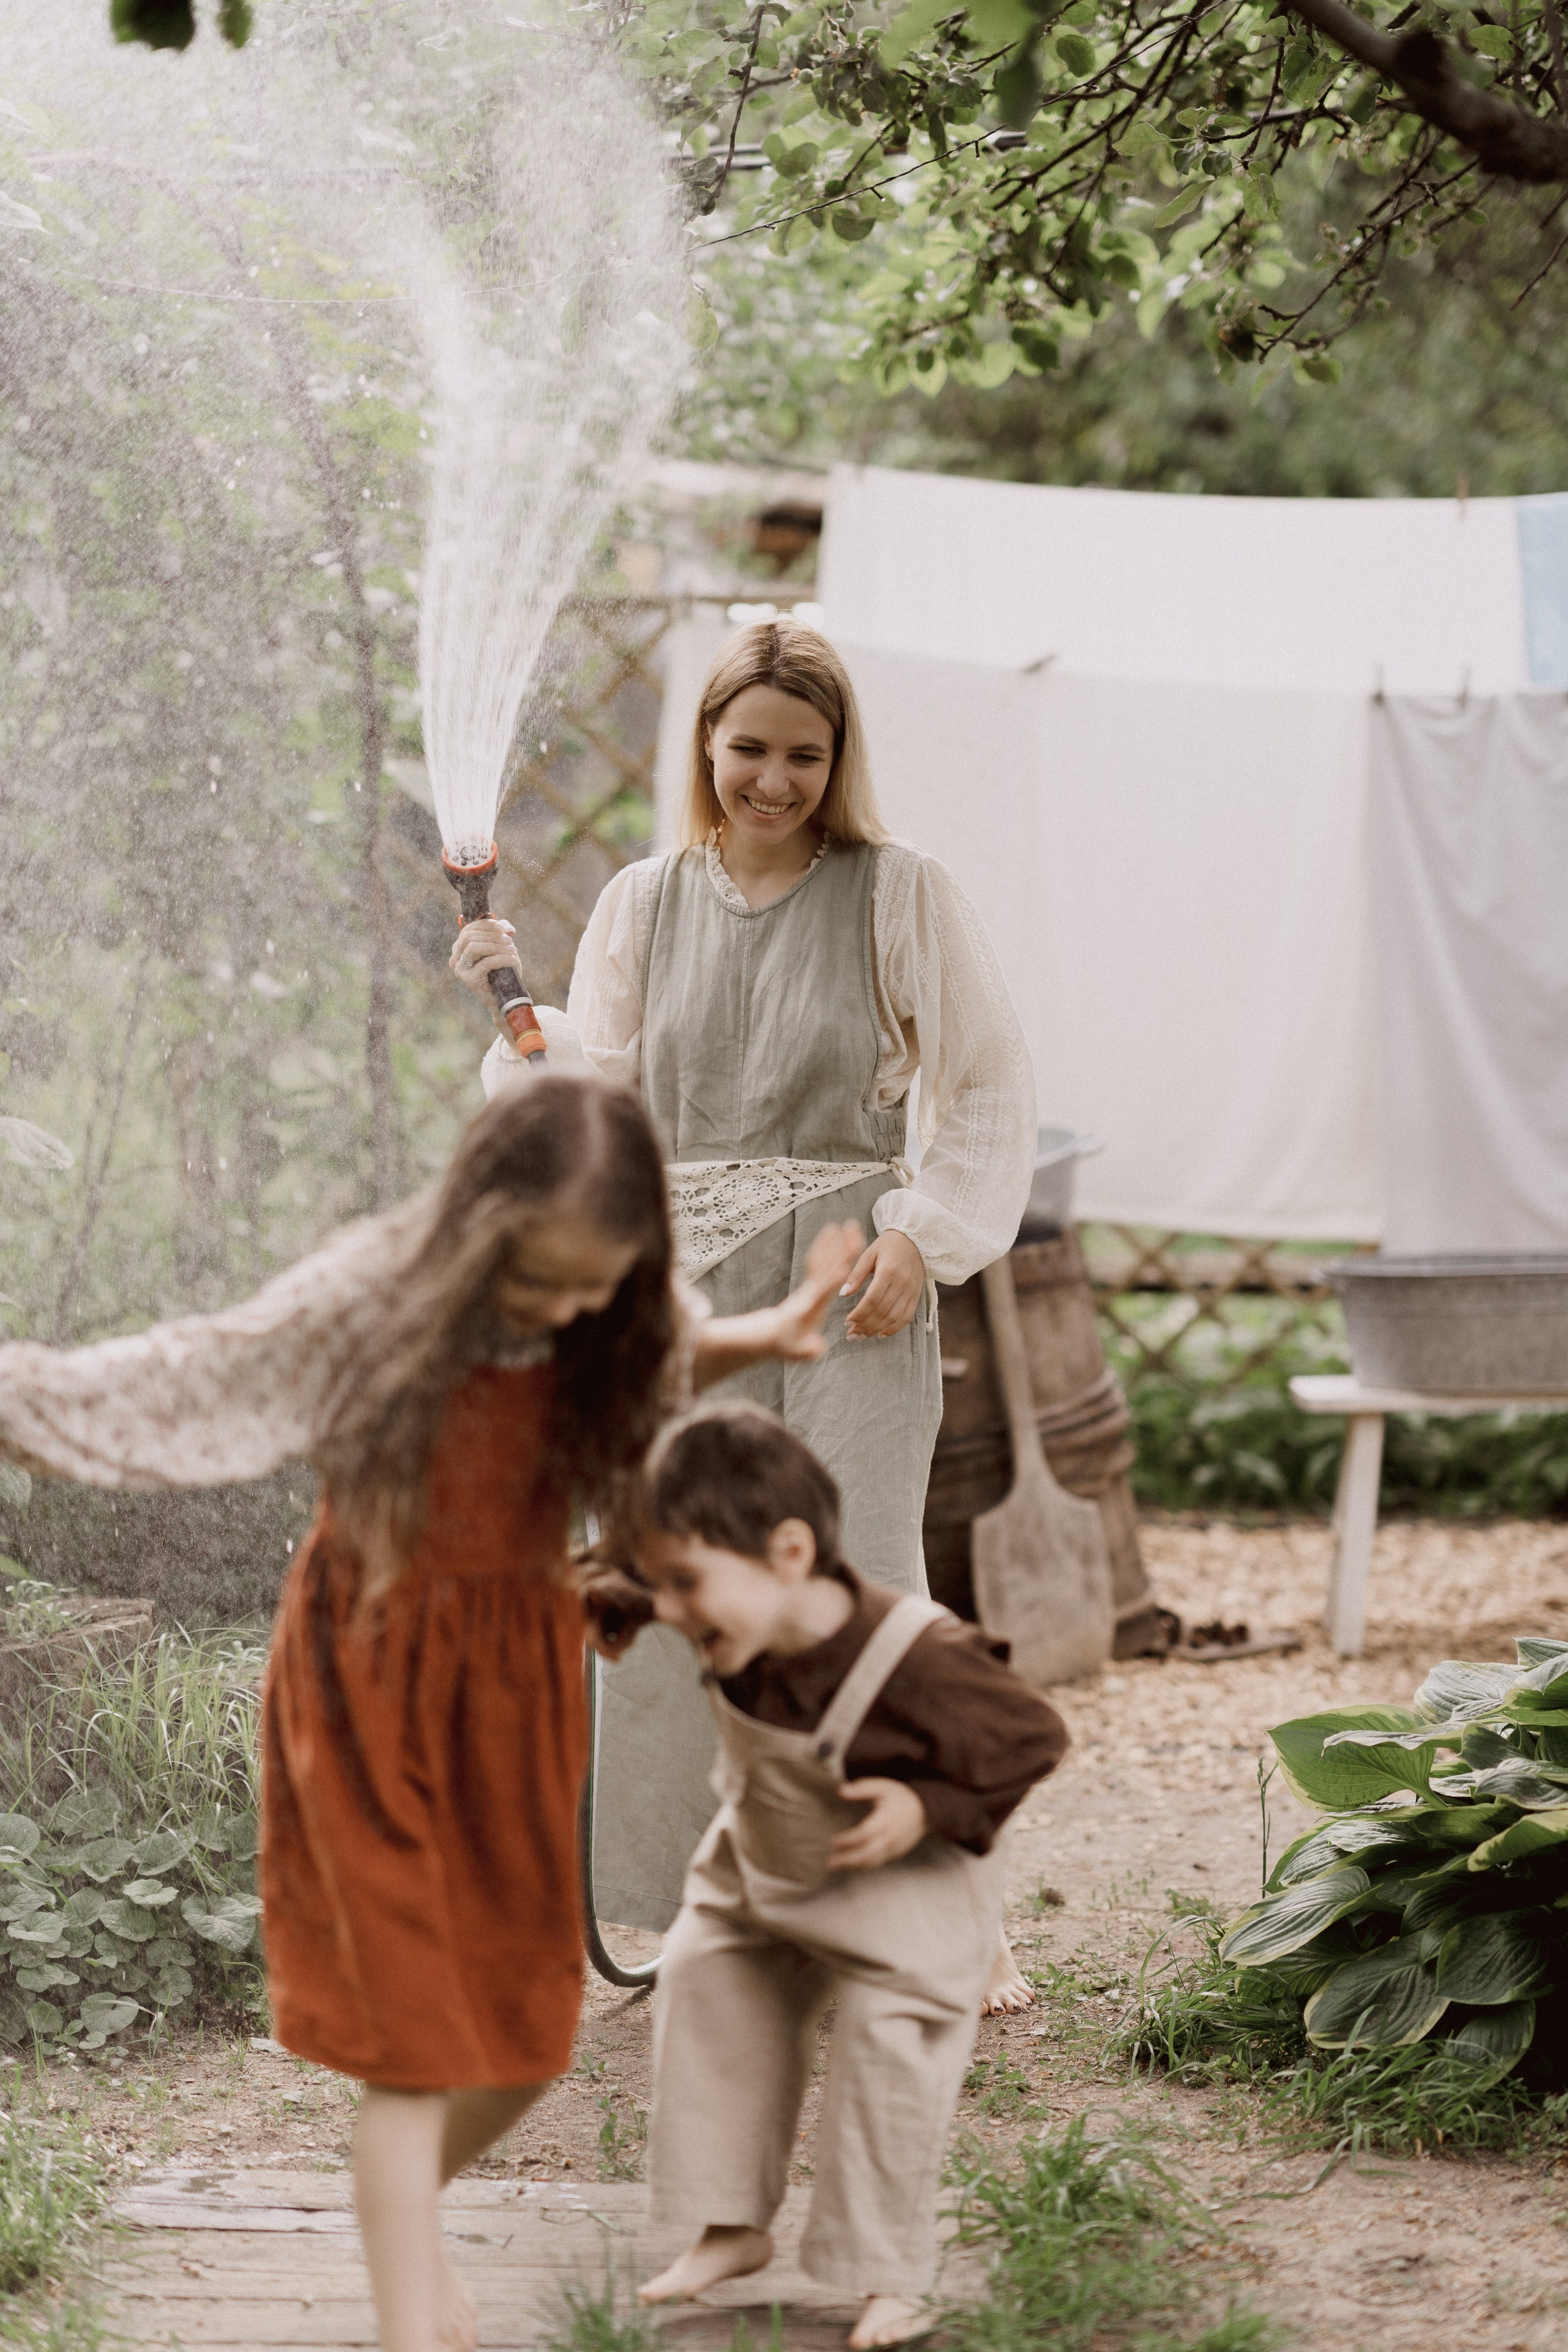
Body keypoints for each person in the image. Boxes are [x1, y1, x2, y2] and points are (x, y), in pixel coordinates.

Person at [0, 1072, 861, 2352]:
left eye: (590, 1287)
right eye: (536, 1282)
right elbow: (199, 1368)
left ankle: (397, 2214)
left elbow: (658, 1347)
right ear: (475, 1228)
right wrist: (25, 1398)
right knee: (411, 2046)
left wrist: (766, 1335)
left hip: (513, 1687)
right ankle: (415, 2320)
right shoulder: (373, 1293)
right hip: (368, 1682)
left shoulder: (611, 1309)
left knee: (519, 2039)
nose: (563, 1308)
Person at [451, 617, 1041, 2011]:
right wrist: (509, 999)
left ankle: (918, 1915)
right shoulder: (646, 902)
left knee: (864, 1578)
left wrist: (922, 1234)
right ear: (706, 748)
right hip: (685, 1293)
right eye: (748, 749)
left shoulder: (899, 894)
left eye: (802, 754)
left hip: (850, 1287)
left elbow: (989, 1082)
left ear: (836, 763)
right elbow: (594, 1094)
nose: (772, 779)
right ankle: (672, 1912)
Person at [606, 1402, 1069, 2350]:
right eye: (661, 1587)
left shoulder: (922, 1655)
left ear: (787, 1552)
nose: (671, 1610)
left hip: (907, 1884)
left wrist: (925, 1807)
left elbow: (1036, 1736)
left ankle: (891, 2273)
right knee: (704, 1972)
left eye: (686, 1583)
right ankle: (731, 2225)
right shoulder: (722, 1618)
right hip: (766, 1867)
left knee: (888, 2043)